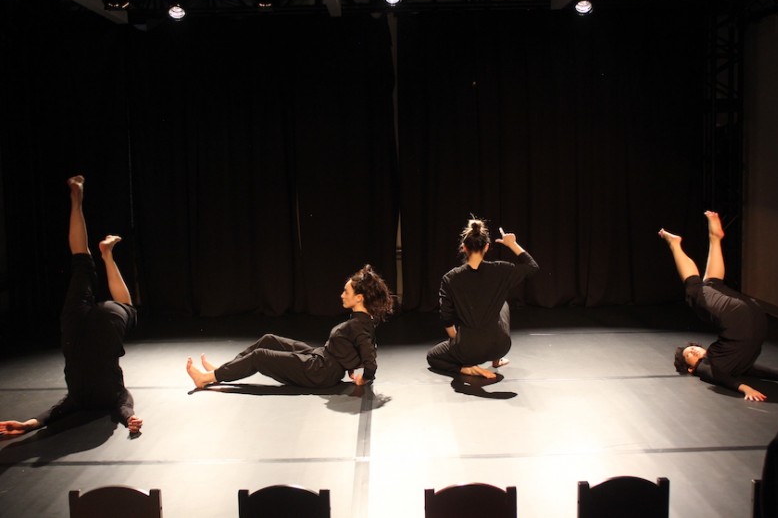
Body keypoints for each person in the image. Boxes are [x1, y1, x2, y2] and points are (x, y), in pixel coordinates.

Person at [0, 176, 142, 439]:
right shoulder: (76, 399)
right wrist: (130, 418)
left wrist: (130, 418)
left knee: (127, 307)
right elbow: (57, 412)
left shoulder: (105, 395)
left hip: (103, 328)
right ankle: (77, 199)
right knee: (80, 260)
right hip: (74, 327)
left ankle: (105, 251)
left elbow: (124, 404)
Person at [660, 211, 778, 401]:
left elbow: (755, 371)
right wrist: (745, 389)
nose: (693, 350)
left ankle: (714, 239)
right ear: (691, 368)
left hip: (751, 316)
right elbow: (721, 378)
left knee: (711, 286)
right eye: (689, 355)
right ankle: (675, 244)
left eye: (693, 349)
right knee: (694, 292)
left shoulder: (723, 359)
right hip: (748, 318)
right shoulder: (706, 368)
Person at [186, 265, 393, 389]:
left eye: (346, 292)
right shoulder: (362, 321)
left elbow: (369, 358)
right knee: (269, 339)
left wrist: (364, 378)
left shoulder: (359, 325)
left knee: (260, 356)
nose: (341, 295)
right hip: (321, 358)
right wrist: (349, 366)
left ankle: (205, 379)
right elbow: (355, 347)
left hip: (320, 372)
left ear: (359, 298)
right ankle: (225, 370)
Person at [427, 219, 539, 379]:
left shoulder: (450, 278)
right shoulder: (501, 270)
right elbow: (532, 267)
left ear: (464, 247)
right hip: (499, 346)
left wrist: (458, 344)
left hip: (466, 351)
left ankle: (465, 369)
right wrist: (511, 244)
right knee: (503, 305)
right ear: (487, 247)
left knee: (432, 356)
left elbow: (446, 318)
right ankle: (496, 360)